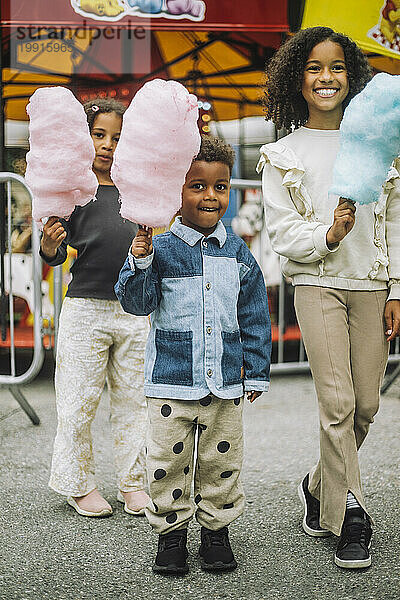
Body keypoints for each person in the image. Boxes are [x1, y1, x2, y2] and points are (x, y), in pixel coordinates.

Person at [259, 26, 400, 569]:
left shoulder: (377, 144)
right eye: (314, 68)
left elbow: (392, 220)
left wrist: (396, 287)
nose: (326, 77)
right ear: (297, 78)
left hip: (370, 285)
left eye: (337, 67)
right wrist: (329, 235)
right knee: (337, 404)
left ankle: (319, 486)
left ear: (352, 76)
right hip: (316, 282)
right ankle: (351, 515)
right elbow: (283, 234)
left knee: (366, 404)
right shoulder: (281, 154)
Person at [115, 136, 271, 575]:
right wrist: (138, 262)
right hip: (171, 382)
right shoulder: (160, 250)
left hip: (224, 383)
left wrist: (256, 371)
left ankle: (215, 532)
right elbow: (136, 302)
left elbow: (254, 313)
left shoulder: (239, 253)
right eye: (197, 186)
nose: (210, 196)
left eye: (220, 186)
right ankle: (170, 535)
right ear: (174, 191)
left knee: (222, 462)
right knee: (167, 463)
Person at [40, 97, 150, 517]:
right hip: (85, 308)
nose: (107, 145)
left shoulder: (138, 188)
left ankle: (133, 482)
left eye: (118, 138)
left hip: (134, 310)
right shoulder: (72, 189)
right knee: (77, 401)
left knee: (135, 401)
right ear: (81, 139)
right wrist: (50, 246)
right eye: (99, 135)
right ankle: (77, 482)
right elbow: (54, 252)